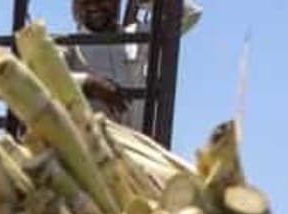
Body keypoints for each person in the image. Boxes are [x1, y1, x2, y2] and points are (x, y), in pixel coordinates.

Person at [65, 0, 203, 129]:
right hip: (95, 148)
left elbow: (191, 14)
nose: (93, 5)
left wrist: (146, 1)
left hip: (140, 146)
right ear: (75, 8)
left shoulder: (140, 35)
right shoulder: (69, 45)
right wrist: (88, 83)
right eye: (85, 1)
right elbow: (47, 77)